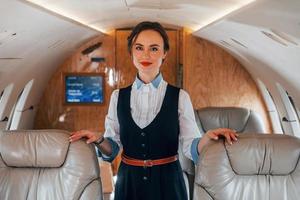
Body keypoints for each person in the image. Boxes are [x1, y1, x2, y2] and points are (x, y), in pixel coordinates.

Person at [70, 21, 238, 200]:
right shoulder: (118, 96)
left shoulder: (180, 97)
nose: (146, 55)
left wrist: (208, 137)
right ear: (132, 52)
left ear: (164, 53)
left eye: (154, 48)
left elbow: (191, 147)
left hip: (169, 184)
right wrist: (99, 139)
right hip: (128, 184)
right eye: (139, 48)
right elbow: (113, 148)